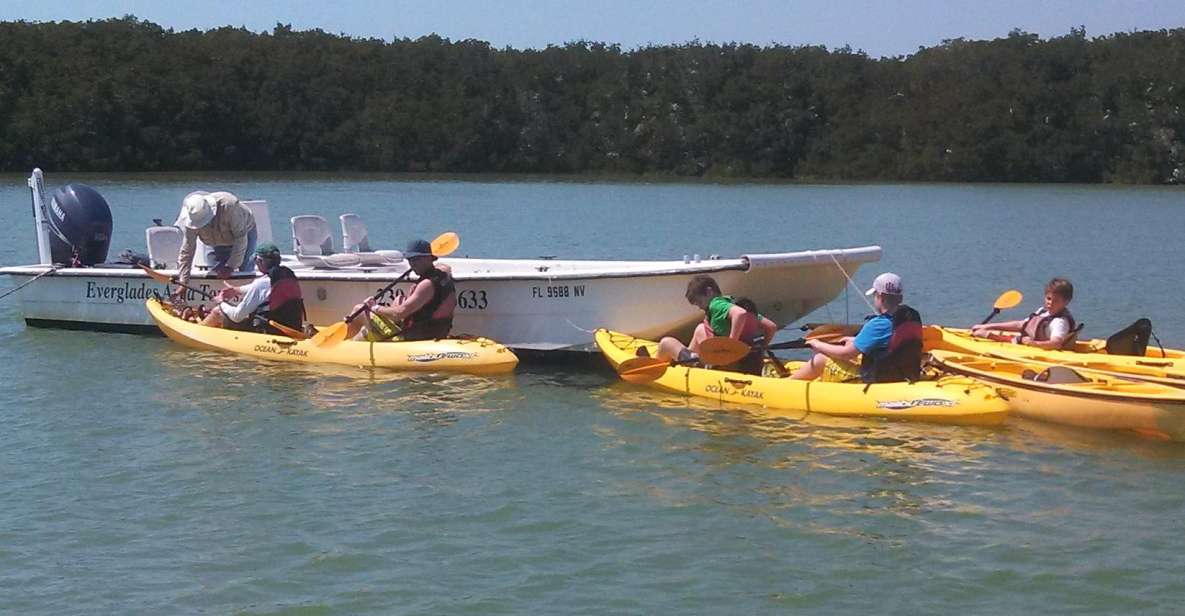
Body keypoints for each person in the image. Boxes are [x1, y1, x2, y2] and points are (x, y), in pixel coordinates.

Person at [791, 272, 914, 382]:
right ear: (900, 297)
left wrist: (817, 344)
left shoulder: (878, 324)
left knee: (820, 359)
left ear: (880, 296)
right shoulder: (908, 317)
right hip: (899, 373)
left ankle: (787, 384)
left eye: (875, 295)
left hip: (876, 378)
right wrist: (856, 341)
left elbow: (846, 354)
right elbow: (887, 342)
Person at [654, 275, 777, 375]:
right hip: (747, 364)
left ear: (709, 291)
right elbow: (771, 327)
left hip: (722, 363)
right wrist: (761, 348)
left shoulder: (716, 304)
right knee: (700, 328)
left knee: (666, 342)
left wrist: (731, 345)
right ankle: (687, 360)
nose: (701, 307)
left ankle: (657, 371)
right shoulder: (738, 303)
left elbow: (740, 314)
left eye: (700, 302)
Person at [347, 238, 457, 342]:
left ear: (429, 258)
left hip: (410, 337)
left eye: (417, 259)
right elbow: (444, 267)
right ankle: (352, 342)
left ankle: (341, 343)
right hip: (435, 332)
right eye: (410, 259)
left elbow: (399, 314)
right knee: (398, 300)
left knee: (359, 310)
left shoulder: (426, 284)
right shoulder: (443, 275)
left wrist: (374, 307)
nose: (413, 263)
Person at [200, 244, 304, 334]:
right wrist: (237, 290)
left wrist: (221, 303)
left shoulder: (261, 284)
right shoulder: (287, 275)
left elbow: (237, 316)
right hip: (292, 327)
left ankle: (198, 332)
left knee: (217, 312)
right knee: (242, 312)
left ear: (260, 261)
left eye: (255, 260)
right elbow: (264, 288)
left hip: (267, 331)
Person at [174, 191, 257, 295]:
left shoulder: (229, 205)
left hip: (244, 232)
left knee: (245, 268)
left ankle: (248, 298)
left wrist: (230, 266)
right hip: (216, 242)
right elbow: (187, 251)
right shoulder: (190, 219)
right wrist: (183, 282)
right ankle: (220, 300)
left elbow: (240, 238)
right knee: (216, 272)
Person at [970, 277, 1076, 349]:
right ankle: (985, 332)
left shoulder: (1060, 322)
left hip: (1031, 347)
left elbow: (1056, 343)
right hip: (1024, 341)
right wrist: (988, 326)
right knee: (983, 330)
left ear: (1066, 302)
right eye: (1048, 299)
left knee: (984, 334)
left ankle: (986, 335)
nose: (1050, 303)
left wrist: (1034, 344)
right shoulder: (1043, 312)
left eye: (1056, 301)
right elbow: (1021, 325)